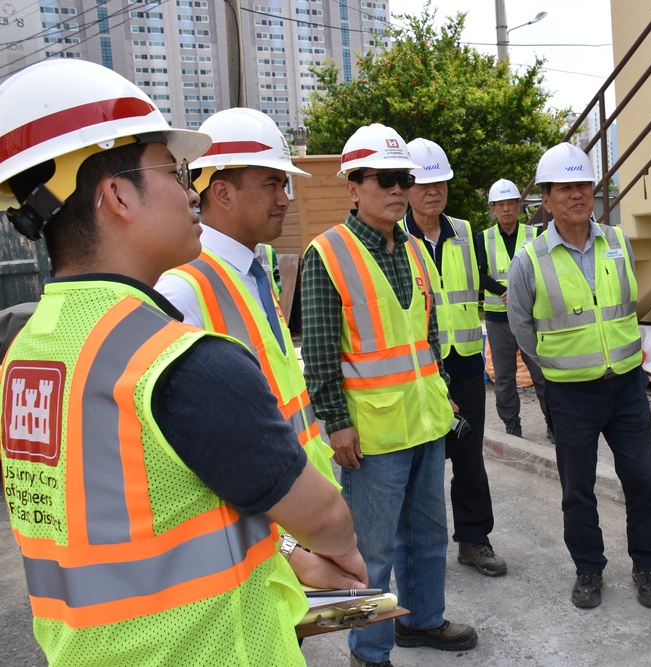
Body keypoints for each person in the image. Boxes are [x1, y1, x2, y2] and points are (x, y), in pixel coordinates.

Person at [0, 59, 366, 666]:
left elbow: (145, 510)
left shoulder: (26, 354)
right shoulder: (178, 362)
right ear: (117, 195)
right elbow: (323, 514)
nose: (191, 190)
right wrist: (344, 550)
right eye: (173, 171)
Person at [300, 124, 477, 667]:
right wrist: (335, 421)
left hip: (424, 423)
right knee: (369, 551)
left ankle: (423, 623)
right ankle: (367, 652)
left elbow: (425, 339)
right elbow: (321, 352)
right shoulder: (326, 253)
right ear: (352, 186)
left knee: (428, 535)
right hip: (371, 433)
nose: (398, 191)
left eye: (404, 179)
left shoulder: (417, 252)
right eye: (385, 180)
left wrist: (443, 397)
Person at [155, 107, 344, 580]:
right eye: (273, 184)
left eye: (285, 185)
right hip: (258, 533)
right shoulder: (183, 288)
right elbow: (197, 454)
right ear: (221, 192)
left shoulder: (255, 269)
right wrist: (285, 546)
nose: (285, 198)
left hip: (290, 503)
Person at [507, 143, 651, 609]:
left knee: (643, 480)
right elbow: (522, 326)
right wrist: (558, 368)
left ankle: (648, 565)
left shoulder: (617, 243)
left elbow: (627, 307)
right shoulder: (529, 260)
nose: (576, 195)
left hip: (627, 387)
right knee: (578, 489)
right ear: (547, 198)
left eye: (582, 185)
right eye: (565, 187)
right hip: (571, 394)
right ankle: (589, 569)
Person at [403, 138, 507, 578]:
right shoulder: (394, 236)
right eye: (425, 184)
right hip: (418, 368)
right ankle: (417, 548)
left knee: (468, 458)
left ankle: (474, 539)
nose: (434, 191)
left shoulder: (465, 232)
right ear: (406, 187)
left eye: (440, 182)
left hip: (463, 362)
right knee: (420, 462)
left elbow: (488, 280)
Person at [475, 178, 552, 441]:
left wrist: (520, 295)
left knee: (542, 374)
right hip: (498, 319)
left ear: (519, 206)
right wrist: (504, 292)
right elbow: (479, 274)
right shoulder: (483, 238)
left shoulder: (534, 235)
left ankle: (553, 424)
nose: (506, 208)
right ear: (493, 208)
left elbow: (544, 271)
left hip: (530, 318)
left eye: (511, 203)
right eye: (501, 204)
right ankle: (511, 424)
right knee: (505, 378)